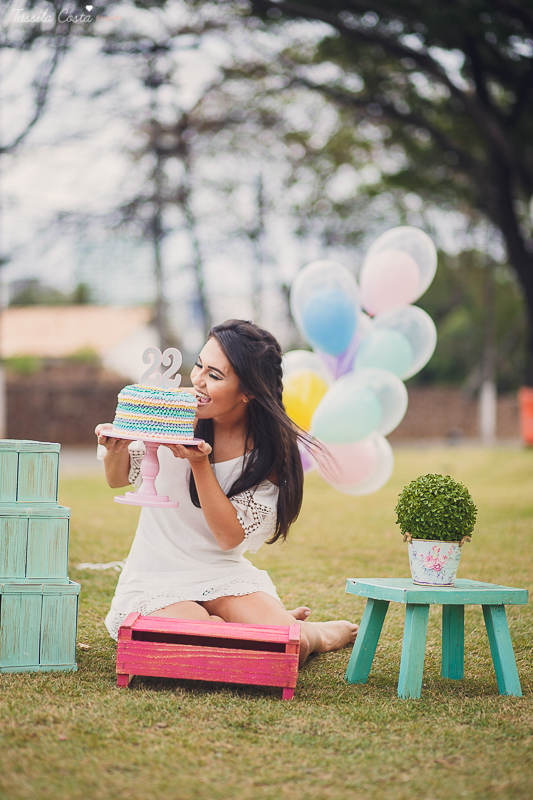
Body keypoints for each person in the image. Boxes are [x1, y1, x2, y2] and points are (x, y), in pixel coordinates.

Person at [96, 319, 358, 665]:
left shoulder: (267, 455)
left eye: (215, 376)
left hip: (223, 576)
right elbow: (117, 479)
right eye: (200, 365)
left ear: (247, 390)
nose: (199, 381)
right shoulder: (173, 414)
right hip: (157, 577)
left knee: (283, 649)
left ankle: (315, 634)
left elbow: (227, 537)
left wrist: (200, 465)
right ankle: (241, 626)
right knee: (204, 642)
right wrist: (115, 446)